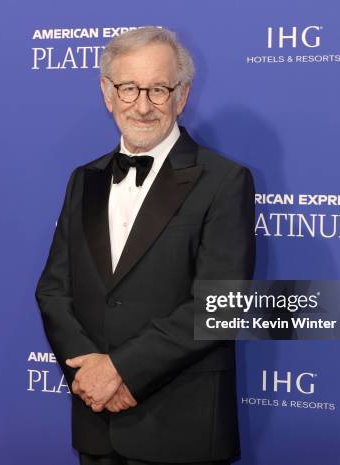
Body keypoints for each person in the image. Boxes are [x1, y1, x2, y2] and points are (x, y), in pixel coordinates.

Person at [36, 27, 255, 465]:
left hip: (182, 428)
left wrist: (119, 371)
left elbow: (220, 305)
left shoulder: (224, 181)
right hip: (96, 424)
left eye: (158, 89)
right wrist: (90, 375)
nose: (141, 105)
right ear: (107, 92)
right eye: (129, 87)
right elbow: (54, 290)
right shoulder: (85, 179)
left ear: (182, 95)